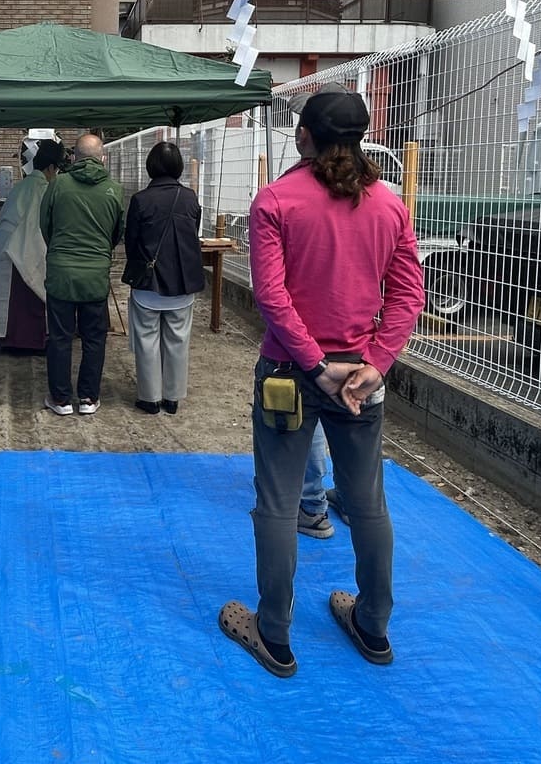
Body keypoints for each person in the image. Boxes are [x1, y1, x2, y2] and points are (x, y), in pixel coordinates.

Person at [218, 90, 423, 677]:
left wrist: (312, 364)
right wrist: (377, 362)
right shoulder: (389, 205)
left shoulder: (276, 201)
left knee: (278, 502)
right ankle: (373, 624)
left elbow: (271, 296)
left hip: (290, 371)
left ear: (303, 135)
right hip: (361, 374)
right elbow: (409, 294)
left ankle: (274, 634)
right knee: (367, 501)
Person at [39, 133, 125, 416]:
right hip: (95, 275)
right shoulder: (114, 189)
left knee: (60, 337)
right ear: (103, 159)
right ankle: (88, 397)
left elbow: (45, 224)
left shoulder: (58, 185)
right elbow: (117, 232)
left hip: (61, 273)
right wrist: (101, 253)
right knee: (94, 338)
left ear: (73, 157)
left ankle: (61, 399)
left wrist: (58, 250)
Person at [122, 141, 204, 415]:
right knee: (178, 340)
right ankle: (172, 397)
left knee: (147, 340)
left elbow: (131, 242)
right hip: (183, 283)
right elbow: (192, 234)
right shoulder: (190, 198)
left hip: (148, 283)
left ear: (150, 167)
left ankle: (150, 398)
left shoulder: (140, 200)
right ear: (179, 167)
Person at [0, 139, 66, 351]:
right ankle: (26, 340)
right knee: (27, 297)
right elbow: (35, 229)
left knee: (8, 301)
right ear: (51, 168)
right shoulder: (43, 189)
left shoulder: (22, 186)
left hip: (7, 247)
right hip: (21, 249)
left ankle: (4, 337)